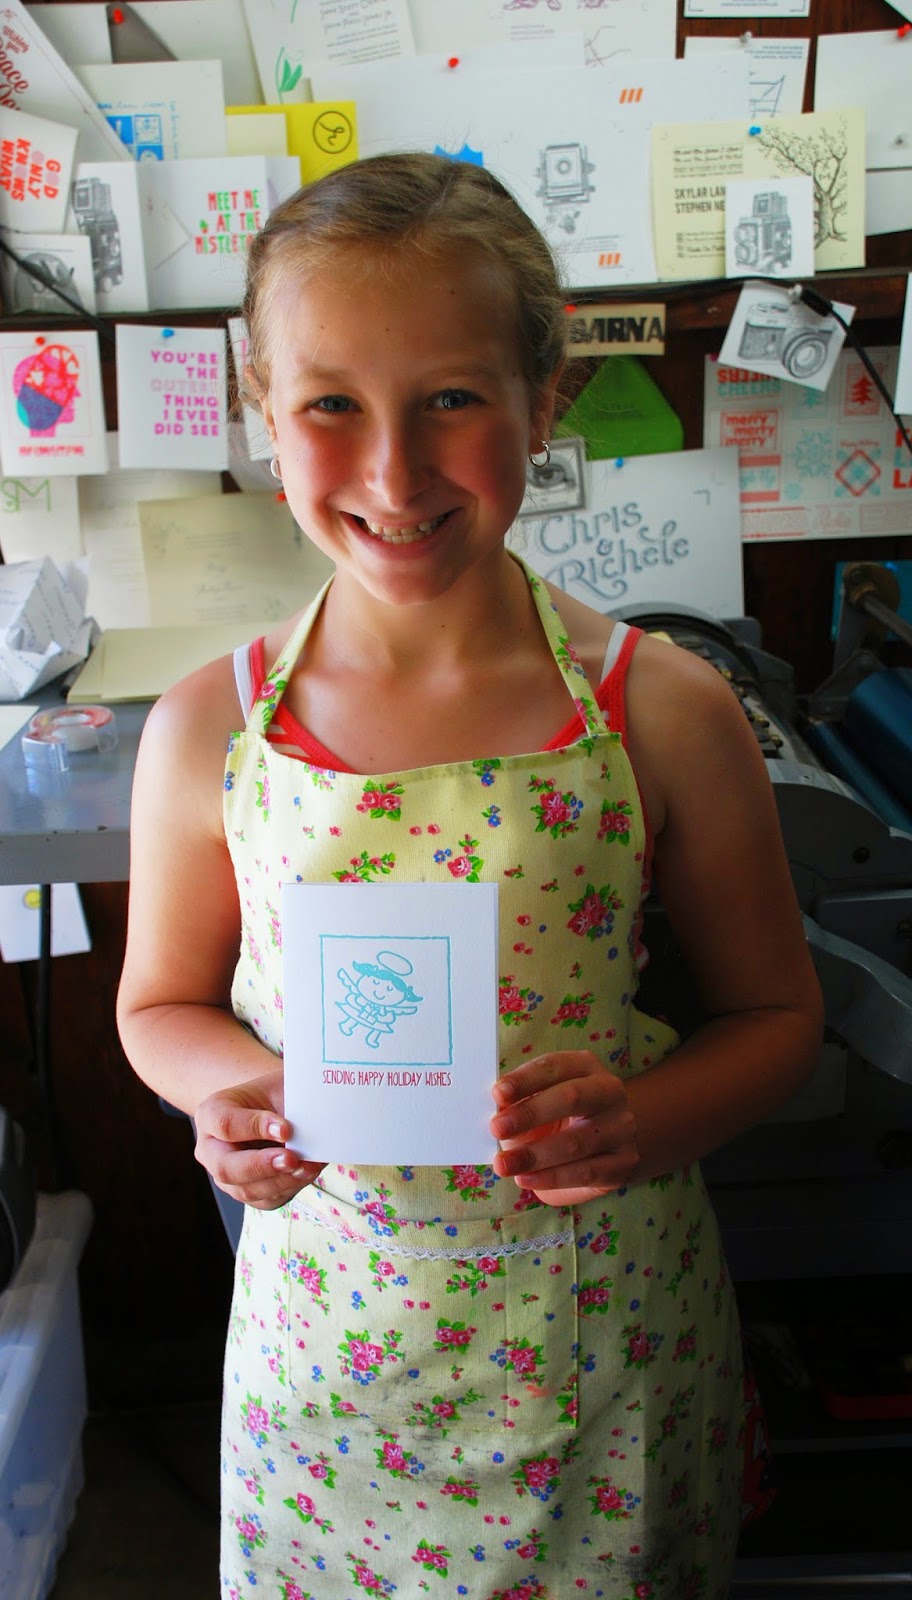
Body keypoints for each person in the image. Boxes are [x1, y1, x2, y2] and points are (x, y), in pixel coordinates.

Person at [117, 152, 823, 1599]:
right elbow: (157, 1005)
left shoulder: (660, 709)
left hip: (601, 1344)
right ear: (262, 411)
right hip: (329, 1359)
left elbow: (777, 1018)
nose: (394, 473)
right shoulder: (207, 729)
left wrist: (641, 1118)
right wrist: (231, 1094)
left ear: (542, 401)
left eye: (451, 398)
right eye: (330, 405)